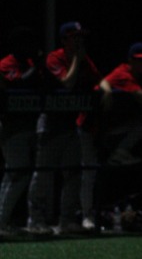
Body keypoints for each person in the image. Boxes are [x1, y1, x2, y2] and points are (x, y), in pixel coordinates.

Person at [28, 21, 103, 234]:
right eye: (74, 37)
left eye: (81, 37)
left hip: (70, 125)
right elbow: (67, 83)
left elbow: (99, 80)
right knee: (43, 175)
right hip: (50, 124)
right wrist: (77, 60)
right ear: (64, 40)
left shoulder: (83, 59)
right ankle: (36, 221)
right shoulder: (55, 57)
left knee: (74, 174)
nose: (79, 41)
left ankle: (66, 221)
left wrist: (104, 90)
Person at [0, 26, 44, 235]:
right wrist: (37, 67)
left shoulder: (28, 63)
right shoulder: (6, 63)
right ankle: (1, 221)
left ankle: (2, 221)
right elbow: (16, 84)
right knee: (18, 175)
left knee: (14, 175)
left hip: (28, 125)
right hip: (12, 127)